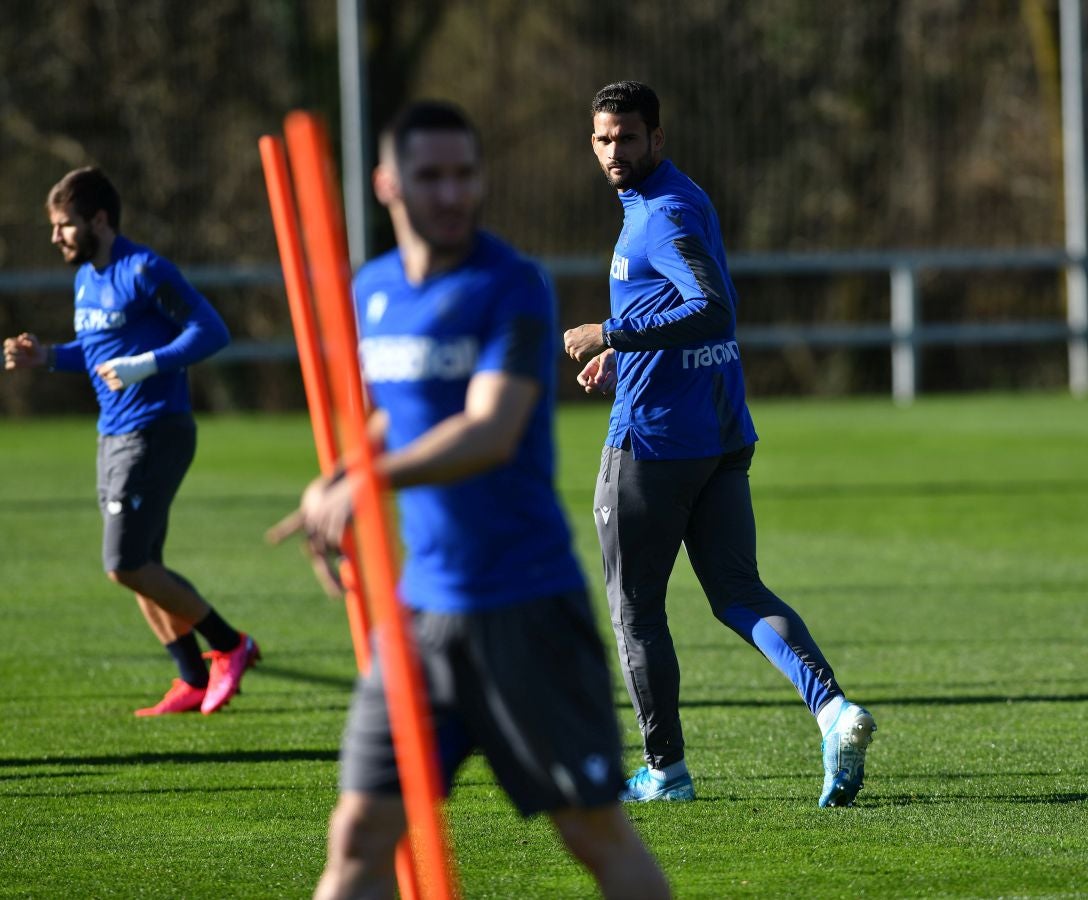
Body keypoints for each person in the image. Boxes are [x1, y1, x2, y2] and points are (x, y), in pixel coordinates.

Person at [274, 101, 669, 900]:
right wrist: (343, 470)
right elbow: (398, 410)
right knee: (357, 837)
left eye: (465, 175)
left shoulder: (512, 285)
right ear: (389, 184)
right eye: (431, 176)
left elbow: (490, 429)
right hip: (420, 615)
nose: (452, 193)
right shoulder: (372, 292)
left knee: (592, 832)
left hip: (525, 608)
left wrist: (368, 482)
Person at [562, 81, 876, 808]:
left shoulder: (661, 212)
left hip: (654, 444)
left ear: (657, 139)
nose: (615, 151)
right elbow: (675, 301)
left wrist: (610, 333)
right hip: (719, 432)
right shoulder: (676, 197)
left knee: (635, 609)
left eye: (629, 138)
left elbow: (710, 308)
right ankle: (833, 712)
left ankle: (665, 771)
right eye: (605, 139)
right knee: (737, 592)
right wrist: (630, 351)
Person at [3, 167, 259, 717]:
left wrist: (146, 365)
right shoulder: (85, 281)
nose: (56, 238)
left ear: (99, 220)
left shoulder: (145, 269)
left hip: (157, 430)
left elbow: (212, 330)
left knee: (123, 563)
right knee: (145, 565)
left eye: (64, 225)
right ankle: (191, 678)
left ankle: (231, 645)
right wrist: (46, 357)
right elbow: (96, 352)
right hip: (112, 434)